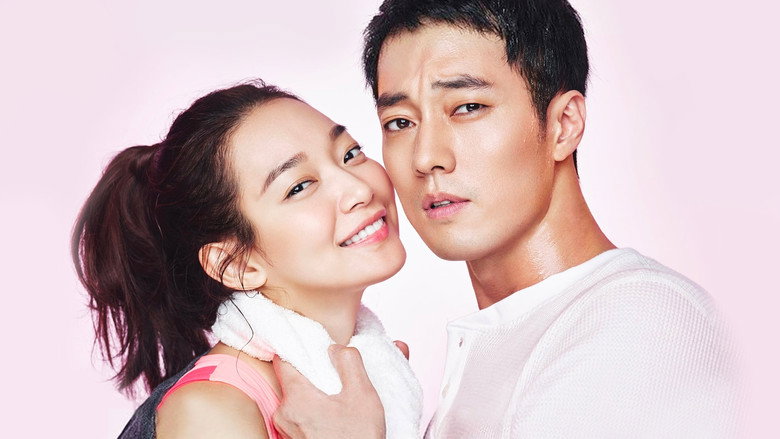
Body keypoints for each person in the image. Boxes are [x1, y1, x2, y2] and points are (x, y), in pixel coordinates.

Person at [271, 0, 742, 437]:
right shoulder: (514, 336)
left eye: (468, 108)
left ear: (563, 125)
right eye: (401, 122)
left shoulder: (641, 326)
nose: (426, 157)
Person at [71, 80, 422, 439]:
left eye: (350, 153)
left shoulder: (371, 377)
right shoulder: (210, 412)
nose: (359, 189)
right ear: (236, 265)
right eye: (299, 187)